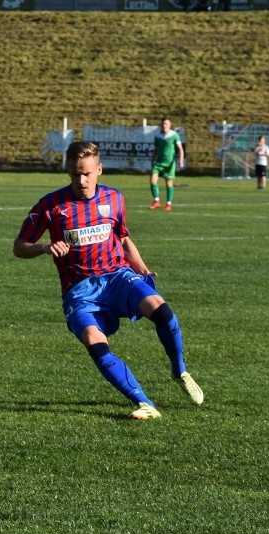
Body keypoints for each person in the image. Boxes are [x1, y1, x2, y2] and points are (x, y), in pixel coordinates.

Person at [14, 141, 203, 421]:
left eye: (87, 173)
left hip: (117, 276)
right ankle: (144, 403)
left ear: (99, 170)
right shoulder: (50, 206)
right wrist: (44, 248)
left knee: (162, 311)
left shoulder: (114, 198)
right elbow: (19, 246)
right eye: (76, 174)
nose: (81, 180)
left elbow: (123, 238)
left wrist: (141, 267)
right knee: (95, 342)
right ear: (68, 171)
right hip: (79, 291)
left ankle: (179, 371)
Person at [148, 117, 185, 212]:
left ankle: (168, 203)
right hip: (158, 163)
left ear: (170, 125)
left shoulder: (174, 135)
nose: (164, 125)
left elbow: (180, 149)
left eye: (166, 124)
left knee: (169, 183)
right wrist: (152, 160)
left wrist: (181, 161)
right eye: (163, 124)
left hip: (169, 164)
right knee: (152, 180)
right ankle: (156, 201)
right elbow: (155, 149)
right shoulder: (158, 136)